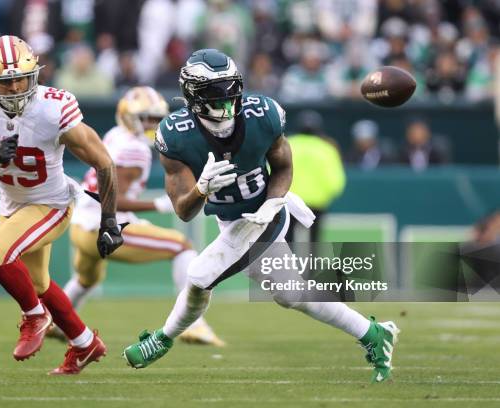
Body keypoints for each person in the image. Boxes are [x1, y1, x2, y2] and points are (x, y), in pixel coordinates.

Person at [121, 49, 400, 383]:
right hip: (234, 222)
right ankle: (374, 334)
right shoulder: (176, 134)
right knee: (293, 295)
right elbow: (183, 210)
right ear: (194, 96)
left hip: (264, 215)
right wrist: (201, 190)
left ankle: (162, 339)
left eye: (230, 88)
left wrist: (273, 202)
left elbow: (283, 166)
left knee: (198, 275)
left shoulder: (262, 113)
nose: (227, 100)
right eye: (216, 92)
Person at [0, 35, 124, 375]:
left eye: (21, 78)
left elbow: (103, 161)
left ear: (35, 75)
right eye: (5, 82)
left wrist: (109, 220)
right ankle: (84, 343)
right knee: (38, 285)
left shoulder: (54, 107)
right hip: (12, 203)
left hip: (51, 204)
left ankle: (35, 317)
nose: (16, 87)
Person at [51, 86, 224, 346]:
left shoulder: (115, 136)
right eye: (146, 118)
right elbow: (112, 198)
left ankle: (56, 322)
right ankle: (194, 325)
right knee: (181, 246)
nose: (152, 124)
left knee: (88, 278)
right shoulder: (135, 149)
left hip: (82, 224)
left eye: (156, 118)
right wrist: (158, 205)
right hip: (104, 226)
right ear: (129, 116)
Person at [285, 110, 345, 243]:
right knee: (314, 243)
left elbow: (272, 171)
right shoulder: (327, 148)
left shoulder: (287, 144)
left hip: (290, 202)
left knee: (287, 241)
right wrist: (328, 195)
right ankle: (312, 264)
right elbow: (336, 181)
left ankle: (286, 264)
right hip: (317, 204)